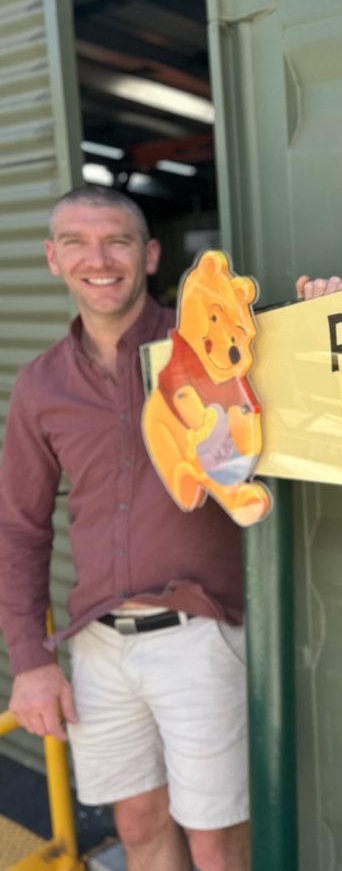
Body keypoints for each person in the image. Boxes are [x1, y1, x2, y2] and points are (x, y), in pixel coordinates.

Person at [0, 186, 250, 871]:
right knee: (138, 825)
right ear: (53, 259)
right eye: (76, 243)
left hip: (201, 634)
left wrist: (323, 305)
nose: (98, 259)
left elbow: (303, 376)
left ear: (150, 254)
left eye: (116, 240)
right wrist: (30, 661)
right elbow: (19, 529)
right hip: (99, 643)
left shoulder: (209, 347)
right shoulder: (41, 385)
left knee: (216, 842)